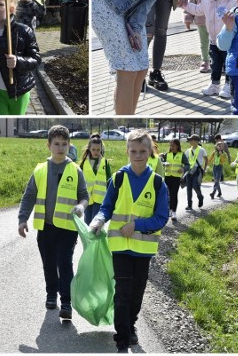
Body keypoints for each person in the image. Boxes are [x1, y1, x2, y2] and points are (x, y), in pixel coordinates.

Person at [89, 130, 169, 352]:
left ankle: (131, 324)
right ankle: (122, 335)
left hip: (143, 250)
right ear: (127, 152)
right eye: (133, 151)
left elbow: (162, 217)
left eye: (143, 151)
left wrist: (136, 226)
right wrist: (98, 222)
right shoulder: (118, 178)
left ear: (151, 151)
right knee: (123, 292)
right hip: (120, 248)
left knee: (136, 293)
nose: (138, 155)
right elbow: (106, 207)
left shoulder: (157, 183)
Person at [18, 125, 88, 320]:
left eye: (64, 144)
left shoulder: (75, 170)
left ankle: (66, 301)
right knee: (49, 264)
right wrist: (22, 219)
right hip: (46, 227)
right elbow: (29, 196)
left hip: (67, 228)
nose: (60, 148)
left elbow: (84, 196)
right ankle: (51, 294)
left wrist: (81, 207)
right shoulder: (40, 170)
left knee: (64, 263)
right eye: (56, 144)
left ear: (69, 145)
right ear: (48, 145)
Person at [0, 0, 41, 115]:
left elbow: (36, 59)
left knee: (15, 123)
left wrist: (18, 61)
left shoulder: (23, 31)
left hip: (18, 91)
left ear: (11, 9)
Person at [179, 0, 237, 99]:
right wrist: (185, 5)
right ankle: (215, 85)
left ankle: (228, 86)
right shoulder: (206, 0)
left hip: (228, 41)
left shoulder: (233, 3)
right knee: (215, 64)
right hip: (213, 41)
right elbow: (198, 10)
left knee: (228, 64)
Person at [183, 0, 212, 73]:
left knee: (216, 42)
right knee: (204, 42)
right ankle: (205, 61)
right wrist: (188, 19)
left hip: (215, 21)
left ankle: (218, 61)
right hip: (201, 21)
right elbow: (189, 5)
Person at [80, 133, 112, 224]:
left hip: (100, 199)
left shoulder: (105, 163)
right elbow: (80, 180)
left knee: (95, 222)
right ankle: (87, 239)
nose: (96, 152)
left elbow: (109, 179)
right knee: (87, 222)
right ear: (89, 149)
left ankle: (94, 238)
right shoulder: (83, 163)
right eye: (93, 149)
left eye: (98, 150)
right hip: (87, 198)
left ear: (101, 149)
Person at [161, 138, 188, 220]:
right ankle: (168, 210)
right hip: (167, 177)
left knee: (174, 194)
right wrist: (164, 163)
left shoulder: (182, 155)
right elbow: (160, 162)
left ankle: (174, 212)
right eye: (170, 146)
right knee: (167, 195)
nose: (171, 147)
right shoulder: (167, 154)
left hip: (176, 178)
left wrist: (183, 169)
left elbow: (188, 165)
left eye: (173, 146)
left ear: (177, 146)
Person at [184, 134, 207, 209]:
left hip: (197, 170)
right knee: (189, 188)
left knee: (195, 186)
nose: (190, 141)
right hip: (189, 171)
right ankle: (189, 205)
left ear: (196, 141)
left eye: (191, 140)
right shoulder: (188, 150)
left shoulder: (201, 150)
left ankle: (200, 197)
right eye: (190, 140)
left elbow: (206, 159)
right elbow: (185, 160)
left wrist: (205, 168)